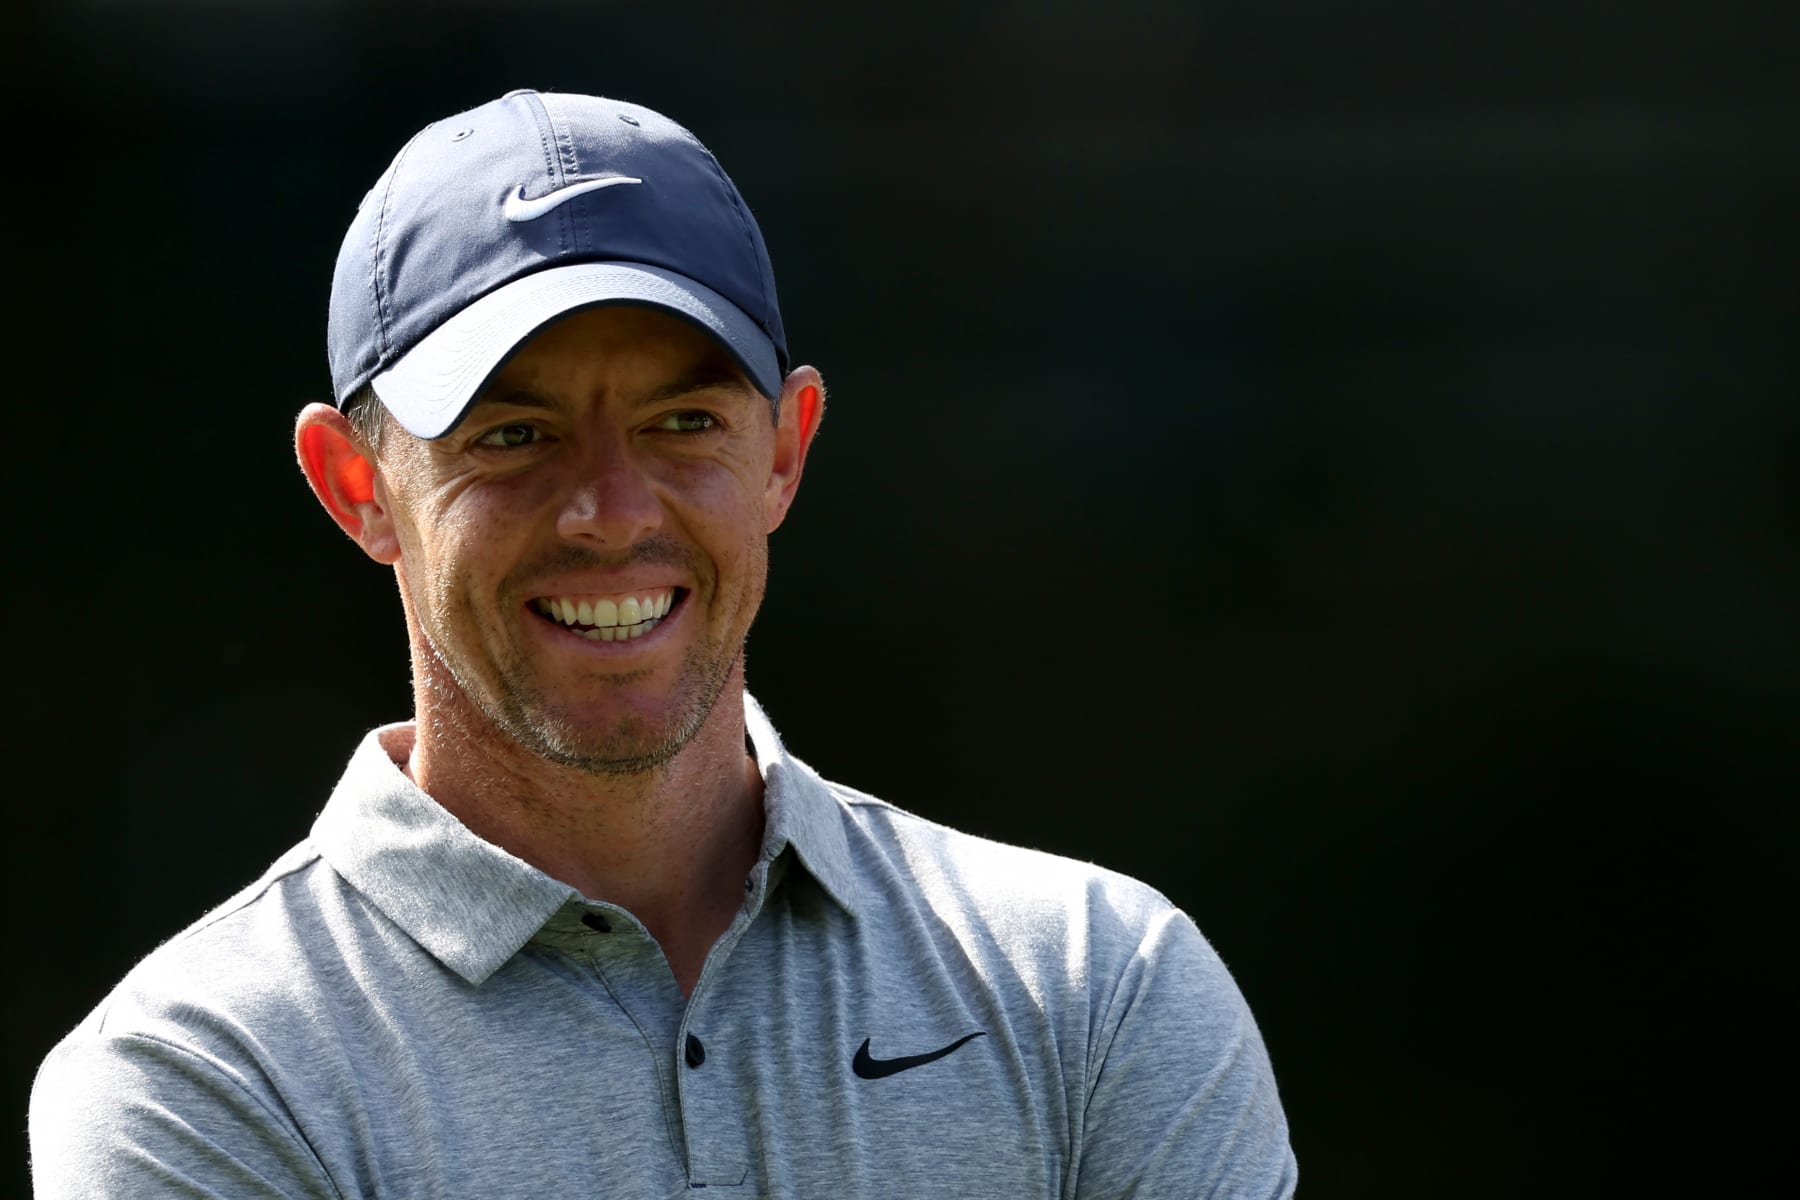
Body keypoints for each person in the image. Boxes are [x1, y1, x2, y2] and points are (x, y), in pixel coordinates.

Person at [30, 89, 1297, 1198]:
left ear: (786, 452)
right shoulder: (200, 1074)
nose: (612, 512)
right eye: (512, 437)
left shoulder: (1094, 986)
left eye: (685, 420)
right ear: (357, 488)